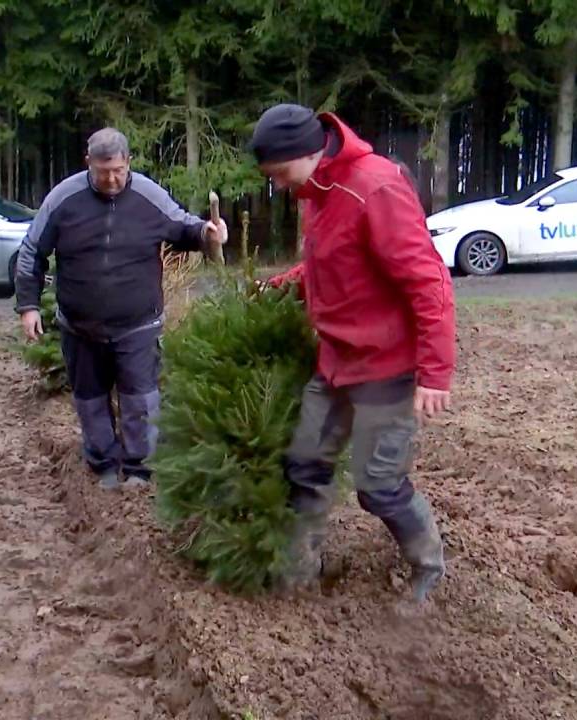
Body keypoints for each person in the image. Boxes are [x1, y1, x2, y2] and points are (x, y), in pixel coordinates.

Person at [249, 104, 457, 604]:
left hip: (385, 365)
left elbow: (428, 281)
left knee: (379, 485)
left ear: (307, 153)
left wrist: (435, 372)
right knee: (306, 463)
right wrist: (278, 287)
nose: (277, 186)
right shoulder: (317, 191)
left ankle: (428, 566)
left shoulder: (373, 187)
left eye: (278, 174)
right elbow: (330, 264)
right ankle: (300, 572)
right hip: (336, 361)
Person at [15, 128, 227, 487]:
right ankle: (104, 465)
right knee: (90, 398)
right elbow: (32, 252)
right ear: (89, 164)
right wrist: (29, 306)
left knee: (140, 400)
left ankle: (140, 469)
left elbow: (183, 226)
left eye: (118, 170)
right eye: (103, 171)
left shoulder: (148, 195)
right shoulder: (64, 199)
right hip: (79, 326)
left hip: (138, 325)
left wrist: (208, 233)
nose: (111, 178)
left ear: (128, 162)